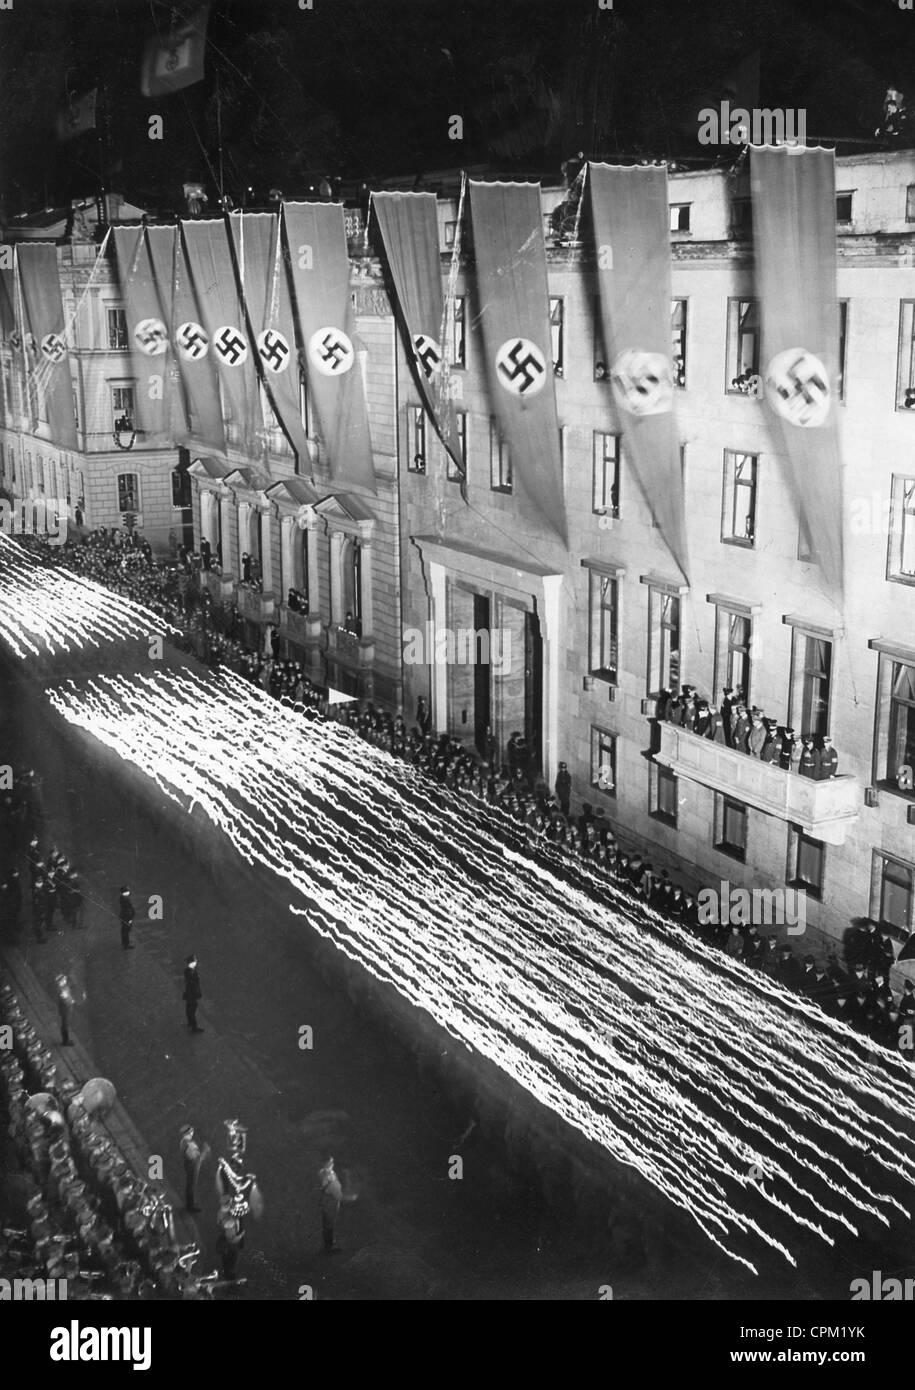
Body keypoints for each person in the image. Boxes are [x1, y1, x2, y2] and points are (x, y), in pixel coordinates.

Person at [318, 1155, 356, 1254]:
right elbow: (339, 1196)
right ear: (328, 1164)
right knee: (329, 1225)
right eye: (331, 1163)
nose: (333, 1164)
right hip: (330, 1204)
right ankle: (329, 1247)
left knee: (327, 1224)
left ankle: (328, 1244)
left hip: (325, 1202)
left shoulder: (323, 1173)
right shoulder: (331, 1181)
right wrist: (352, 1197)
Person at [179, 1124, 210, 1213]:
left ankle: (190, 1202)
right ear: (189, 1133)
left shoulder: (183, 1141)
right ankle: (190, 1205)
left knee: (190, 1184)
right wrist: (205, 1150)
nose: (193, 1132)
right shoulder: (189, 1144)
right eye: (192, 1131)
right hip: (192, 1166)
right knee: (191, 1185)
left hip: (188, 1164)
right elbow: (198, 1158)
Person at [216, 1198, 245, 1280]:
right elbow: (235, 1237)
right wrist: (241, 1234)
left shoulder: (221, 1213)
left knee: (226, 1259)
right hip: (231, 1244)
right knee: (232, 1260)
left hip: (227, 1242)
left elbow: (219, 1223)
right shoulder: (230, 1221)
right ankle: (230, 1275)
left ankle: (226, 1272)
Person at [183, 954, 203, 1033]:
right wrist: (197, 994)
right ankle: (194, 1027)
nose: (196, 961)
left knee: (188, 1009)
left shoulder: (188, 971)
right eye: (195, 960)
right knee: (192, 1010)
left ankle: (190, 1023)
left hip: (188, 994)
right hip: (192, 995)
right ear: (191, 963)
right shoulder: (191, 973)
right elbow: (194, 985)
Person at [56, 973, 75, 1046]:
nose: (65, 980)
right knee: (65, 1025)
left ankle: (66, 1040)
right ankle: (65, 1041)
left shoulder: (64, 987)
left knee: (66, 1024)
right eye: (64, 980)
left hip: (66, 1009)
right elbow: (65, 1000)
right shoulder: (62, 990)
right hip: (65, 1010)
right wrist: (70, 1001)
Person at [118, 885, 135, 949]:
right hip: (127, 917)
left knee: (124, 929)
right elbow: (129, 909)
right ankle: (126, 944)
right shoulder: (125, 900)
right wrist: (131, 917)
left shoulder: (122, 898)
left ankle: (124, 942)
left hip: (124, 916)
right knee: (126, 930)